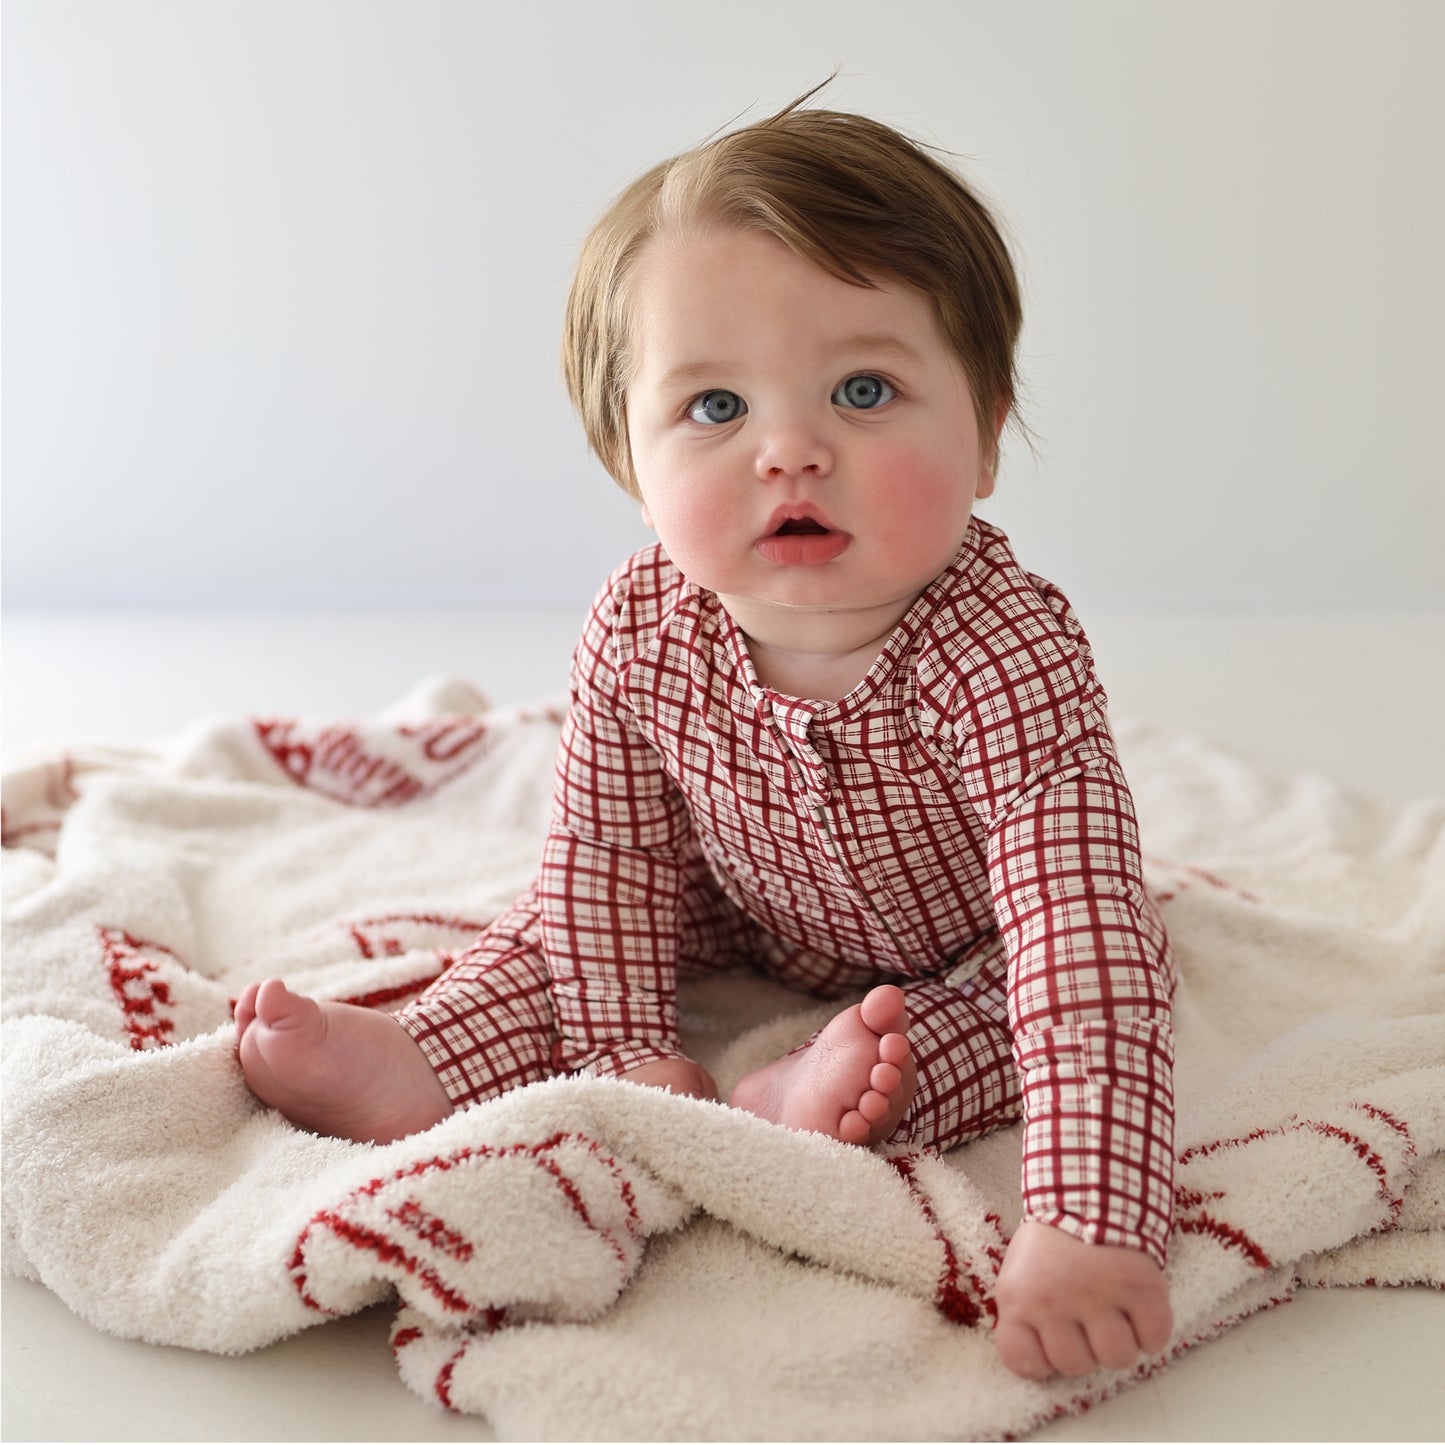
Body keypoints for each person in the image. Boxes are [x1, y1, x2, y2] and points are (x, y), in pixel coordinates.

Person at [236, 96, 1177, 1381]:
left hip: (968, 937)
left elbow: (1074, 938)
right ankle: (424, 1054)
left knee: (1051, 1002)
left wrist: (1089, 1224)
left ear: (987, 432)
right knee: (554, 930)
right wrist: (627, 1052)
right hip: (738, 898)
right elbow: (607, 860)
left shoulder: (1001, 653)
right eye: (714, 406)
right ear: (628, 458)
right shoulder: (640, 626)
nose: (790, 449)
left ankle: (807, 1096)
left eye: (863, 389)